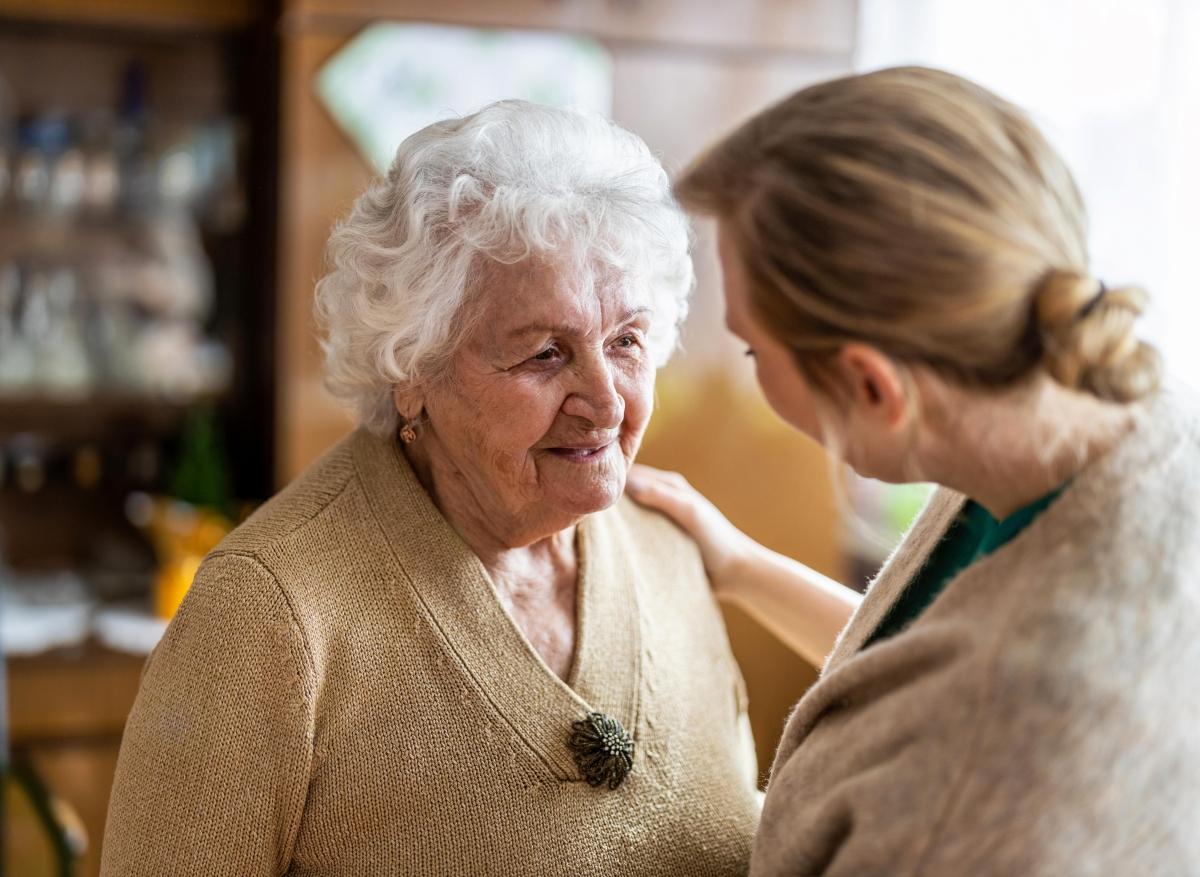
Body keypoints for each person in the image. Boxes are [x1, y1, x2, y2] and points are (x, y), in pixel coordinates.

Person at [100, 101, 759, 877]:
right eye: (546, 353)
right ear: (413, 371)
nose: (607, 402)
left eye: (626, 341)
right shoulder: (268, 614)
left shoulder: (671, 550)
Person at [628, 66, 1200, 875]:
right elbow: (925, 664)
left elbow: (962, 719)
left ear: (871, 385)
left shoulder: (982, 787)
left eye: (754, 348)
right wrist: (741, 567)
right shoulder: (1114, 416)